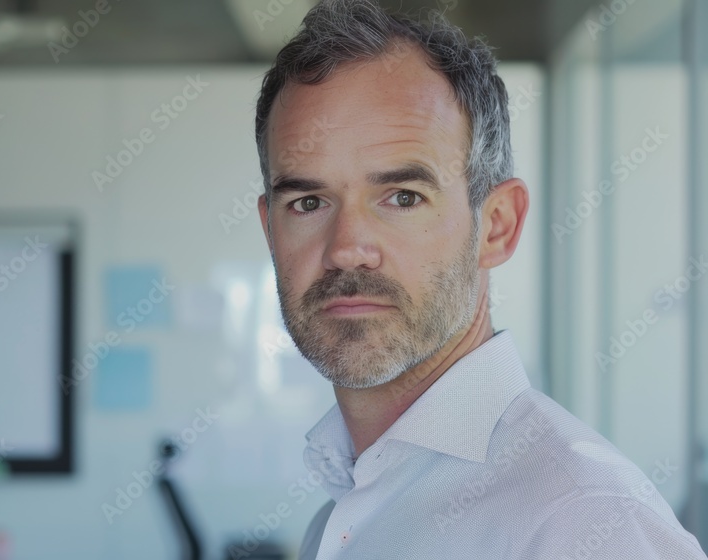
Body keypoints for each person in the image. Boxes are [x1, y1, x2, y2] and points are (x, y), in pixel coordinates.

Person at [252, 1, 708, 558]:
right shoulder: (338, 518)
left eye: (402, 197)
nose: (347, 248)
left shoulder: (586, 520)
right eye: (308, 201)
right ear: (270, 230)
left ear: (496, 226)